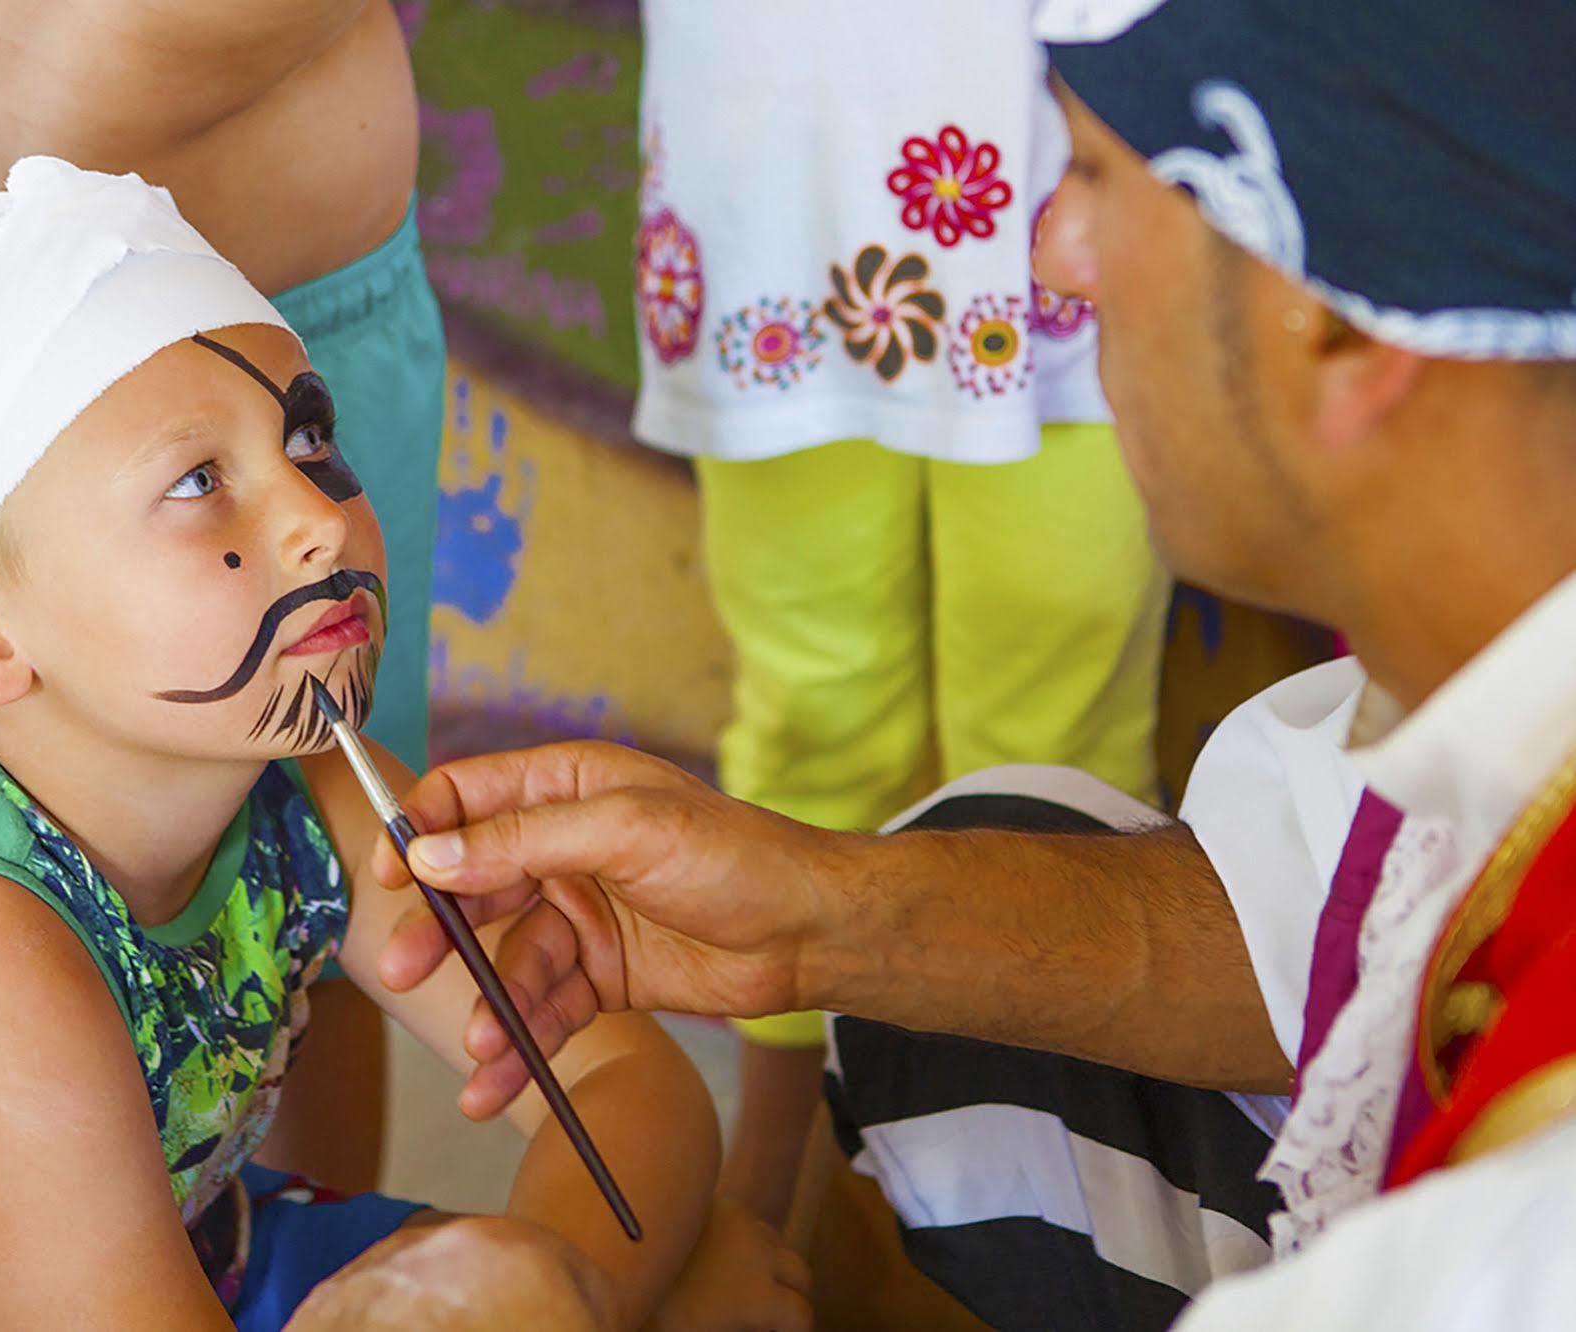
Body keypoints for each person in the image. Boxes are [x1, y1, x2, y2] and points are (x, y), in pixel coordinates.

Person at [370, 2, 1576, 1327]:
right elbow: (1319, 915)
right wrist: (819, 920)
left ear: (1338, 320)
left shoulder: (1502, 1255)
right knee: (992, 852)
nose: (1045, 258)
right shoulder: (1482, 721)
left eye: (1098, 179)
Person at [0, 161, 798, 1331]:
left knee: (702, 1275)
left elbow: (629, 1087)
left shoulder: (315, 775)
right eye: (197, 480)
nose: (317, 515)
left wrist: (567, 1293)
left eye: (309, 439)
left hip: (172, 1262)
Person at [0, 0, 441, 1187]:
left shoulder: (279, 492)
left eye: (315, 459)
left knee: (307, 915)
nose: (314, 520)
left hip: (265, 322)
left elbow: (540, 1037)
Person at [631, 3, 1167, 1224]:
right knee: (815, 714)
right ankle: (772, 1191)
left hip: (1068, 193)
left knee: (1059, 750)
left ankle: (1068, 1197)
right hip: (776, 185)